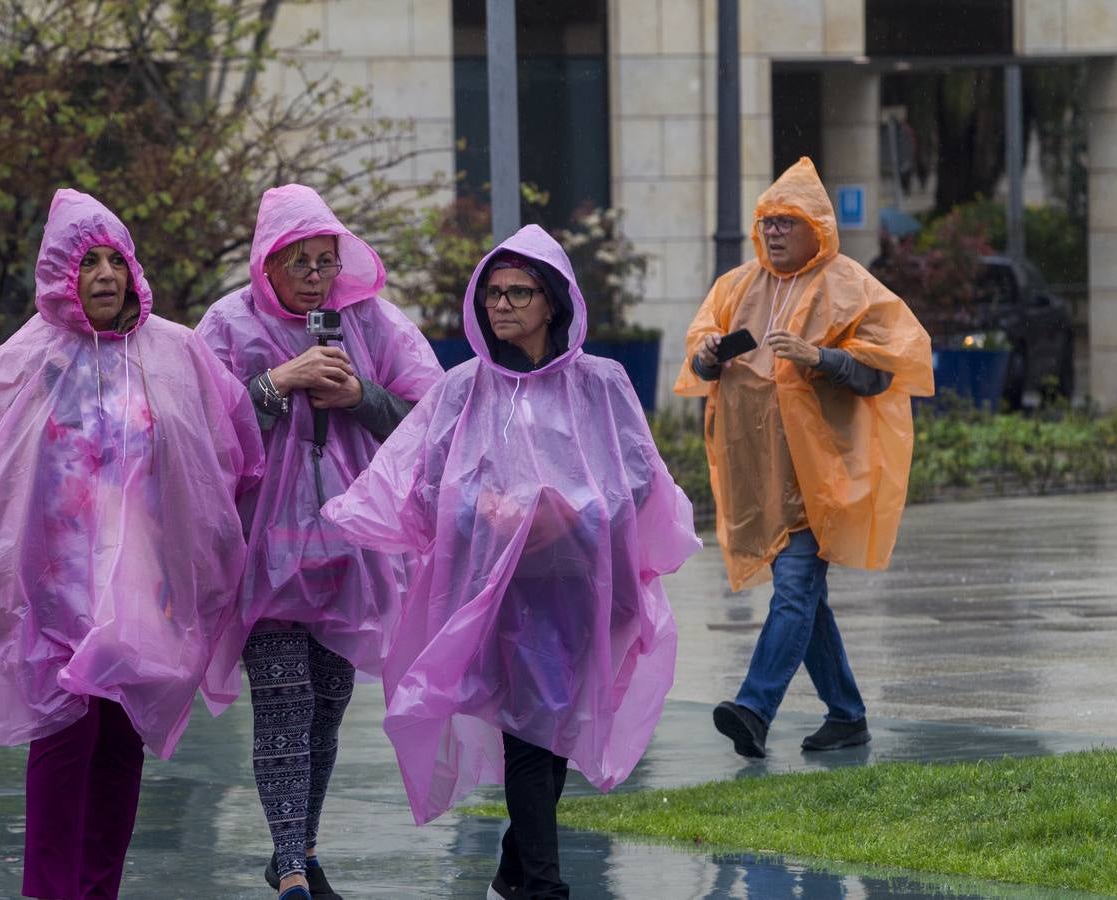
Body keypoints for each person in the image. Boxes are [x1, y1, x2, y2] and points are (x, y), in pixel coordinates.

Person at [323, 225, 701, 900]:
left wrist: (568, 513)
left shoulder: (600, 385)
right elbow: (430, 482)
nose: (502, 306)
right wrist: (492, 508)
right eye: (493, 293)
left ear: (552, 301)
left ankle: (513, 871)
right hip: (498, 599)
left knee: (551, 736)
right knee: (531, 732)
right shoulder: (464, 390)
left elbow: (638, 479)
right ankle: (544, 887)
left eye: (519, 292)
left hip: (577, 589)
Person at [0, 188, 265, 900]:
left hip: (144, 585)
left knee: (119, 739)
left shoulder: (175, 351)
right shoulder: (27, 359)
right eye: (89, 263)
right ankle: (49, 892)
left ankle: (97, 888)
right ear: (61, 275)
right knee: (64, 733)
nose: (107, 275)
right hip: (53, 588)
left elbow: (229, 444)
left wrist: (197, 547)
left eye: (117, 259)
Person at [196, 184, 442, 900]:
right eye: (297, 260)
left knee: (329, 701)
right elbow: (198, 428)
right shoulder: (226, 325)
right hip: (260, 555)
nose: (313, 274)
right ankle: (293, 871)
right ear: (264, 264)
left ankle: (296, 847)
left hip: (348, 551)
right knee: (284, 698)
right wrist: (277, 384)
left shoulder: (371, 322)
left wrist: (358, 395)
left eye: (325, 260)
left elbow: (432, 420)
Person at [674, 157, 933, 759]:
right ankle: (846, 714)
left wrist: (820, 358)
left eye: (787, 223)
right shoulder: (737, 288)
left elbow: (882, 374)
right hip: (760, 476)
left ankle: (754, 708)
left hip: (822, 476)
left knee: (793, 587)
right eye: (767, 223)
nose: (773, 233)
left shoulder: (850, 286)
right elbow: (697, 358)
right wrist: (710, 355)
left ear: (817, 227)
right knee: (805, 599)